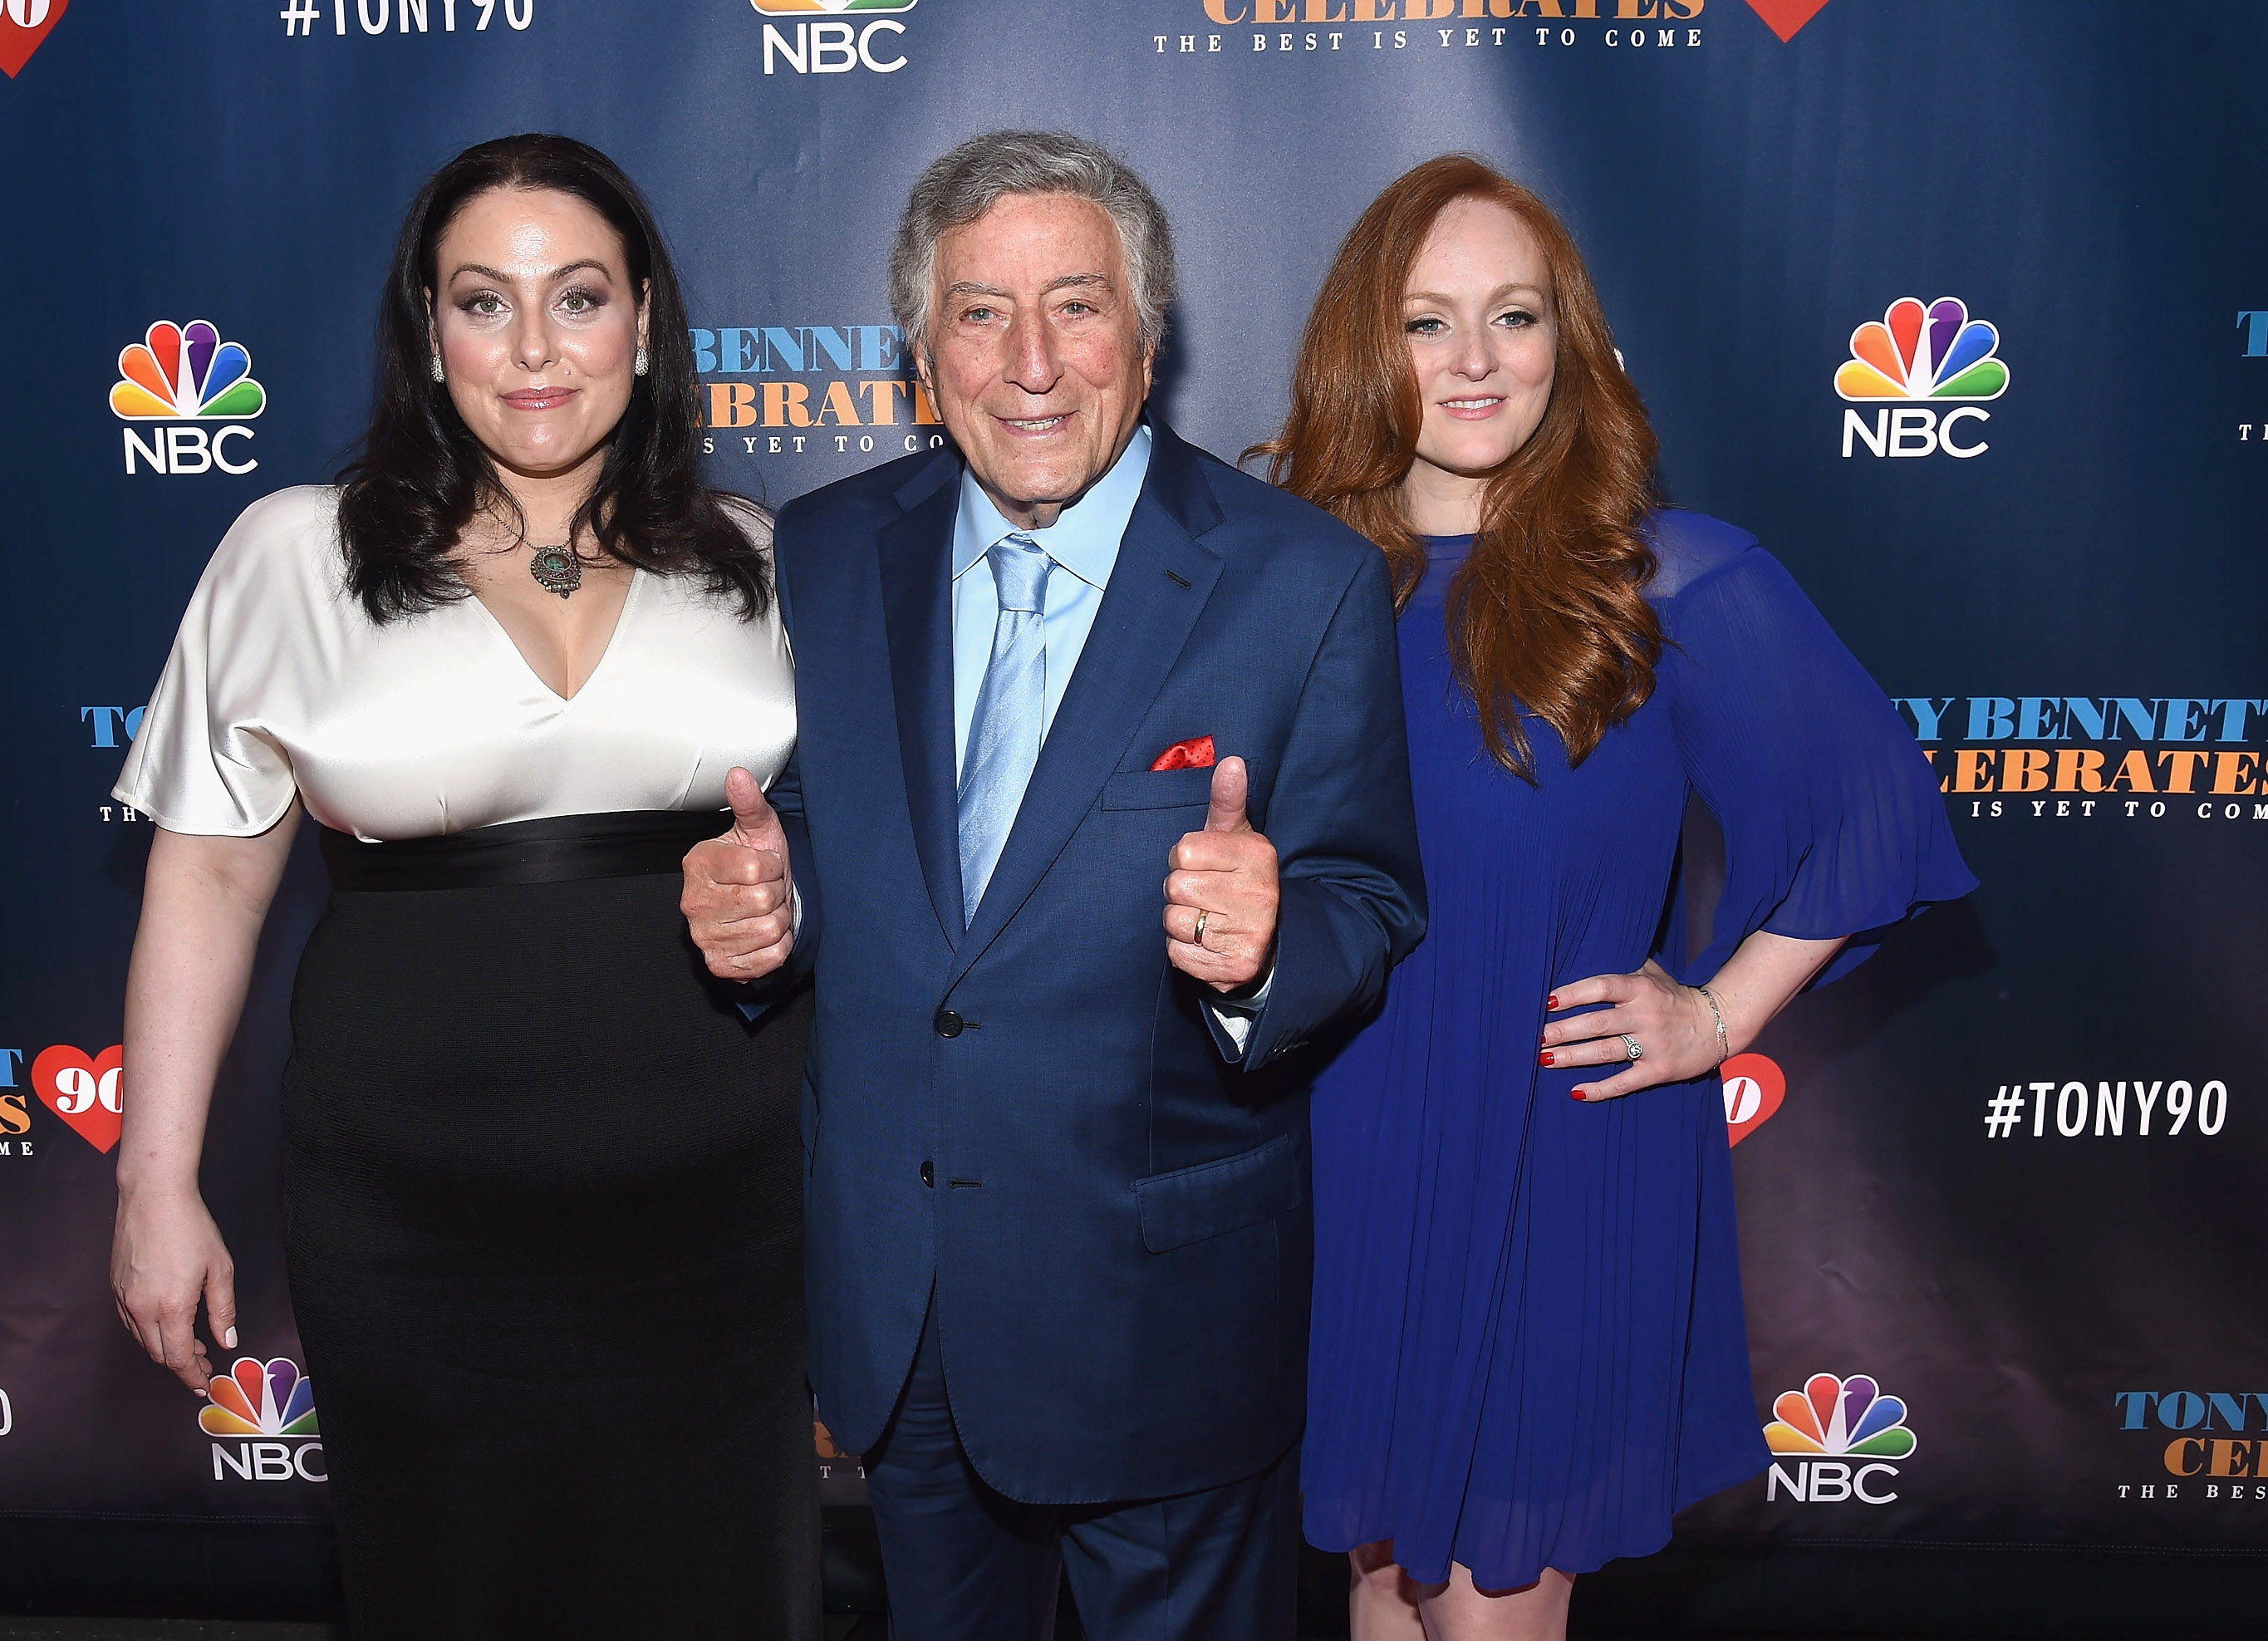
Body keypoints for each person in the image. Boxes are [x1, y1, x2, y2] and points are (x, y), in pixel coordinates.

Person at [681, 130, 1425, 1641]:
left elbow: (1370, 891)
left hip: (1157, 1316)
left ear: (1147, 342)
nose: (1031, 362)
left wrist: (1272, 944)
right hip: (905, 1307)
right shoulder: (825, 550)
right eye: (979, 313)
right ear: (921, 347)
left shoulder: (1299, 577)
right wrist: (783, 900)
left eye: (1077, 305)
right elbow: (833, 825)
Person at [106, 134, 818, 1639]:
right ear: (430, 336)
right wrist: (152, 1182)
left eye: (580, 296)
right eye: (485, 302)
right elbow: (212, 882)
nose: (538, 349)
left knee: (715, 1592)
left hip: (721, 1209)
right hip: (411, 1220)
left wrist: (789, 897)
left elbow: (835, 860)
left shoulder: (757, 559)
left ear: (645, 322)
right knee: (450, 1588)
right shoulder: (295, 554)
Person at [1255, 155, 1976, 1640]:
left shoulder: (1659, 579)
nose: (1472, 361)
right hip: (1344, 1154)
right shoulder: (1291, 578)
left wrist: (1716, 1012)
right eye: (1425, 322)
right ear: (1360, 347)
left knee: (1493, 1604)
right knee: (1381, 1589)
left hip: (1553, 1159)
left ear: (1566, 347)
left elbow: (1874, 808)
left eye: (1513, 318)